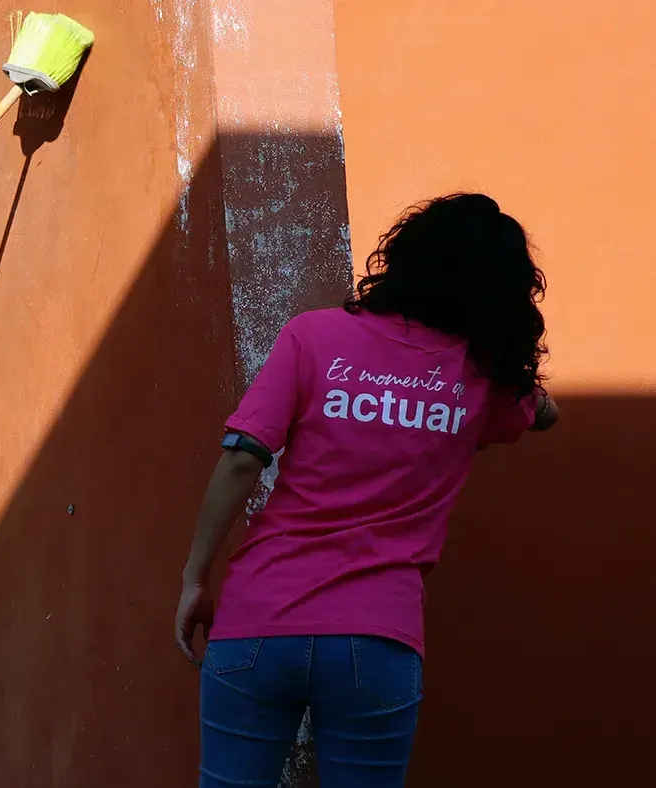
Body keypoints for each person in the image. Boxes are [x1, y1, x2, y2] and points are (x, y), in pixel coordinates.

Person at [175, 193, 559, 787]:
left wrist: (195, 579)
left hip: (259, 620)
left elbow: (242, 460)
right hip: (377, 637)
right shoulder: (485, 382)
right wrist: (508, 362)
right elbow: (543, 414)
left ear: (405, 258)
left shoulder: (314, 336)